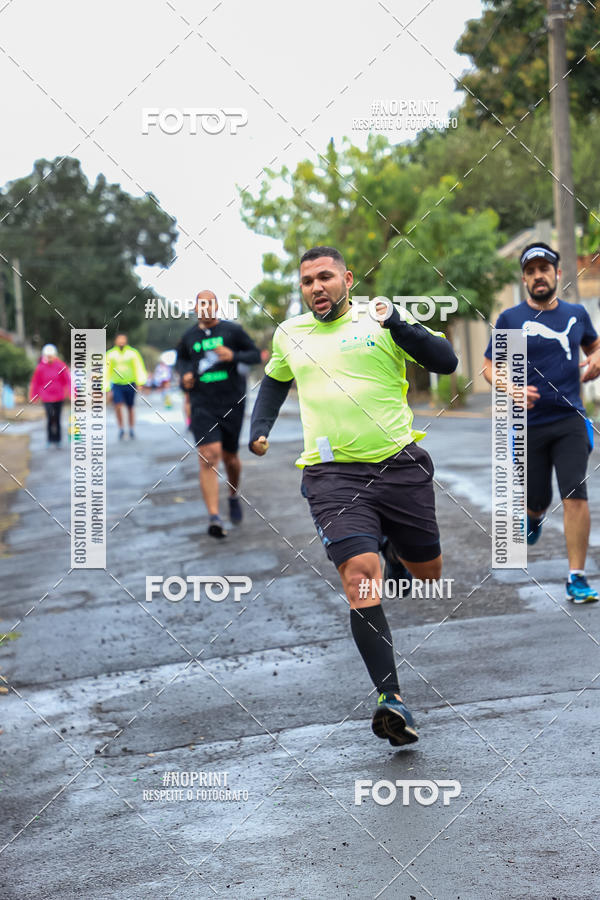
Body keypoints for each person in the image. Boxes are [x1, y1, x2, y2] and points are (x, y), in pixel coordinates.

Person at [249, 246, 458, 747]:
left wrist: (399, 325)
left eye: (325, 277)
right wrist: (260, 429)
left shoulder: (381, 318)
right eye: (306, 281)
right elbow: (274, 383)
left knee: (427, 574)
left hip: (400, 466)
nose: (316, 287)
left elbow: (447, 362)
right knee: (361, 577)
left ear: (347, 279)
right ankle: (391, 699)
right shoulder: (291, 334)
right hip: (331, 474)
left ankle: (392, 549)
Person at [483, 241, 600, 604]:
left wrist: (597, 360)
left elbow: (594, 347)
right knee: (537, 500)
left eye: (543, 269)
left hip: (570, 419)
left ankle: (576, 576)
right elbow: (490, 367)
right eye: (531, 272)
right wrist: (512, 389)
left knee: (575, 496)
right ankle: (533, 518)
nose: (538, 276)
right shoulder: (511, 319)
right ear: (524, 279)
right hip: (528, 425)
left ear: (557, 274)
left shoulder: (576, 313)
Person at [176, 290, 261, 538]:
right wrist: (185, 378)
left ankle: (233, 494)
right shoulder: (189, 337)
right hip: (202, 404)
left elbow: (254, 355)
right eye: (201, 304)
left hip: (232, 402)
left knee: (230, 458)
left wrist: (233, 355)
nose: (205, 308)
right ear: (195, 308)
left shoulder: (232, 331)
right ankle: (214, 517)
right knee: (208, 456)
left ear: (216, 307)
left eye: (210, 304)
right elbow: (181, 365)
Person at [105, 333, 148, 440]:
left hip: (130, 383)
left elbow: (139, 367)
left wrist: (140, 382)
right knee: (118, 406)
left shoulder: (133, 353)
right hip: (116, 384)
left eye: (123, 340)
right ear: (116, 341)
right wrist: (106, 387)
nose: (121, 342)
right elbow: (106, 370)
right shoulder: (110, 354)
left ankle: (131, 428)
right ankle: (121, 428)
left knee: (130, 407)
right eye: (119, 340)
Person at [29, 344, 71, 448]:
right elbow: (36, 383)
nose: (49, 358)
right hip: (47, 397)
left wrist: (71, 393)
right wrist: (34, 395)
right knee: (50, 418)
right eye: (47, 356)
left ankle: (58, 439)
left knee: (57, 418)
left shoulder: (61, 366)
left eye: (51, 355)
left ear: (55, 355)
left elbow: (67, 380)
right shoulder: (40, 368)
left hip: (59, 396)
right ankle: (50, 439)